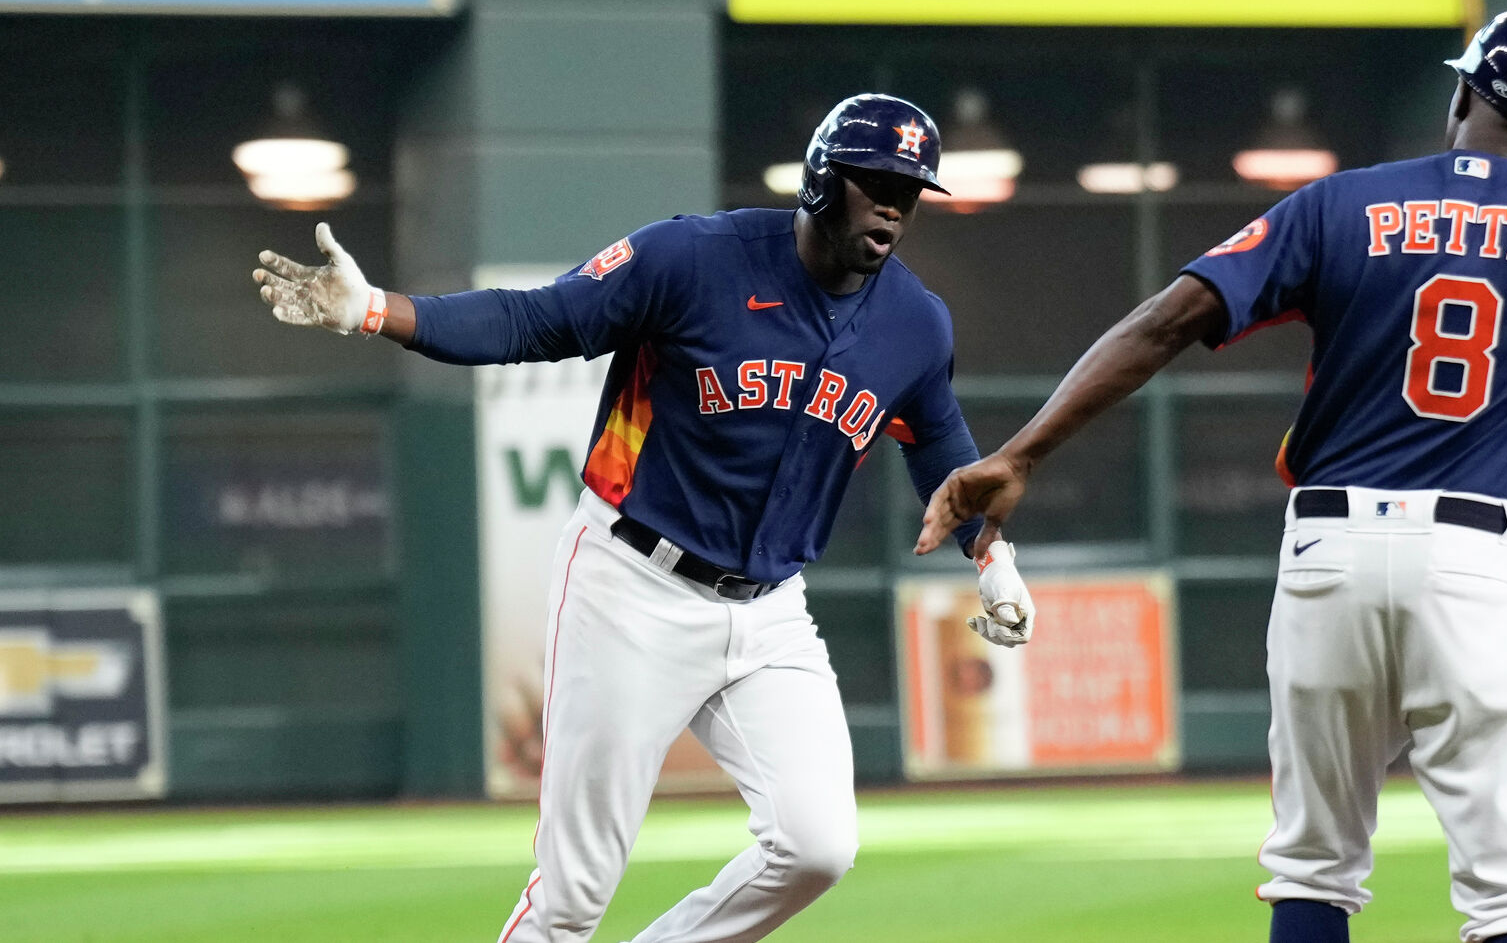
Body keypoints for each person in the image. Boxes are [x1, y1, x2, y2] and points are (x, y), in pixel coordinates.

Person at [915, 0, 1507, 943]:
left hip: (1329, 550)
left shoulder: (1342, 202)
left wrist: (1024, 452)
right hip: (1471, 561)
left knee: (1312, 868)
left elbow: (1165, 319)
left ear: (1465, 98)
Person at [252, 94, 1036, 943]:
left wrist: (992, 561)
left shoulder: (914, 322)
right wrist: (376, 311)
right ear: (820, 178)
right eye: (875, 181)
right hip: (630, 585)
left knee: (816, 846)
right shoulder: (693, 258)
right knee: (572, 896)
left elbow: (944, 450)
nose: (894, 204)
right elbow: (536, 319)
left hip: (770, 611)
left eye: (910, 190)